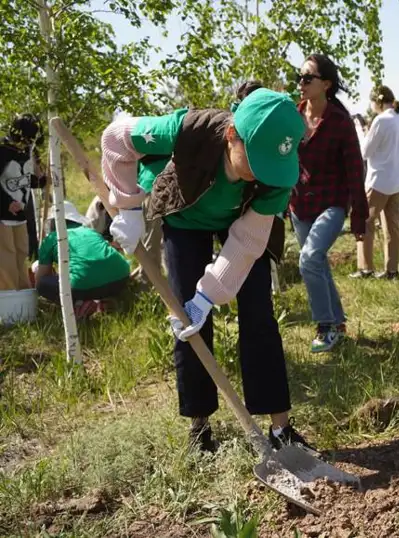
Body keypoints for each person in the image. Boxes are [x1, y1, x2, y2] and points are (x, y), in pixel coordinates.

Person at [100, 87, 311, 453]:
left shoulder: (278, 176)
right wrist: (129, 208)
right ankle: (199, 426)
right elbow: (115, 139)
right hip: (186, 215)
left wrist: (211, 292)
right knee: (186, 318)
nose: (264, 173)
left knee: (259, 313)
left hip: (244, 220)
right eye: (256, 160)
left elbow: (246, 243)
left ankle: (281, 429)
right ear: (232, 136)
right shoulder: (188, 128)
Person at [292, 54, 368, 353]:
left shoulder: (340, 122)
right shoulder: (292, 117)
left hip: (331, 204)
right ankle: (338, 324)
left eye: (307, 78)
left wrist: (359, 218)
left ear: (325, 83)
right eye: (299, 77)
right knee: (318, 263)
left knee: (309, 258)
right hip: (299, 206)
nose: (301, 83)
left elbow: (354, 171)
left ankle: (324, 326)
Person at [350, 85, 399, 281]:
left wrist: (361, 134)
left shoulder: (381, 121)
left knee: (365, 223)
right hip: (397, 180)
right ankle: (392, 270)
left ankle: (365, 268)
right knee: (392, 226)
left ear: (377, 102)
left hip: (379, 180)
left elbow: (365, 152)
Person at [34, 201, 130, 319]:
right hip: (121, 277)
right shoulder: (90, 232)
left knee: (43, 284)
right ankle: (106, 300)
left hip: (82, 285)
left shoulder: (51, 239)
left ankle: (81, 305)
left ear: (53, 223)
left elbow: (41, 277)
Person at [0, 114, 47, 290]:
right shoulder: (2, 150)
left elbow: (24, 179)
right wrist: (6, 203)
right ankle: (8, 297)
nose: (31, 144)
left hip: (20, 213)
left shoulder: (26, 151)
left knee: (21, 254)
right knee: (6, 257)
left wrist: (41, 182)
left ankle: (24, 291)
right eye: (29, 139)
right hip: (3, 215)